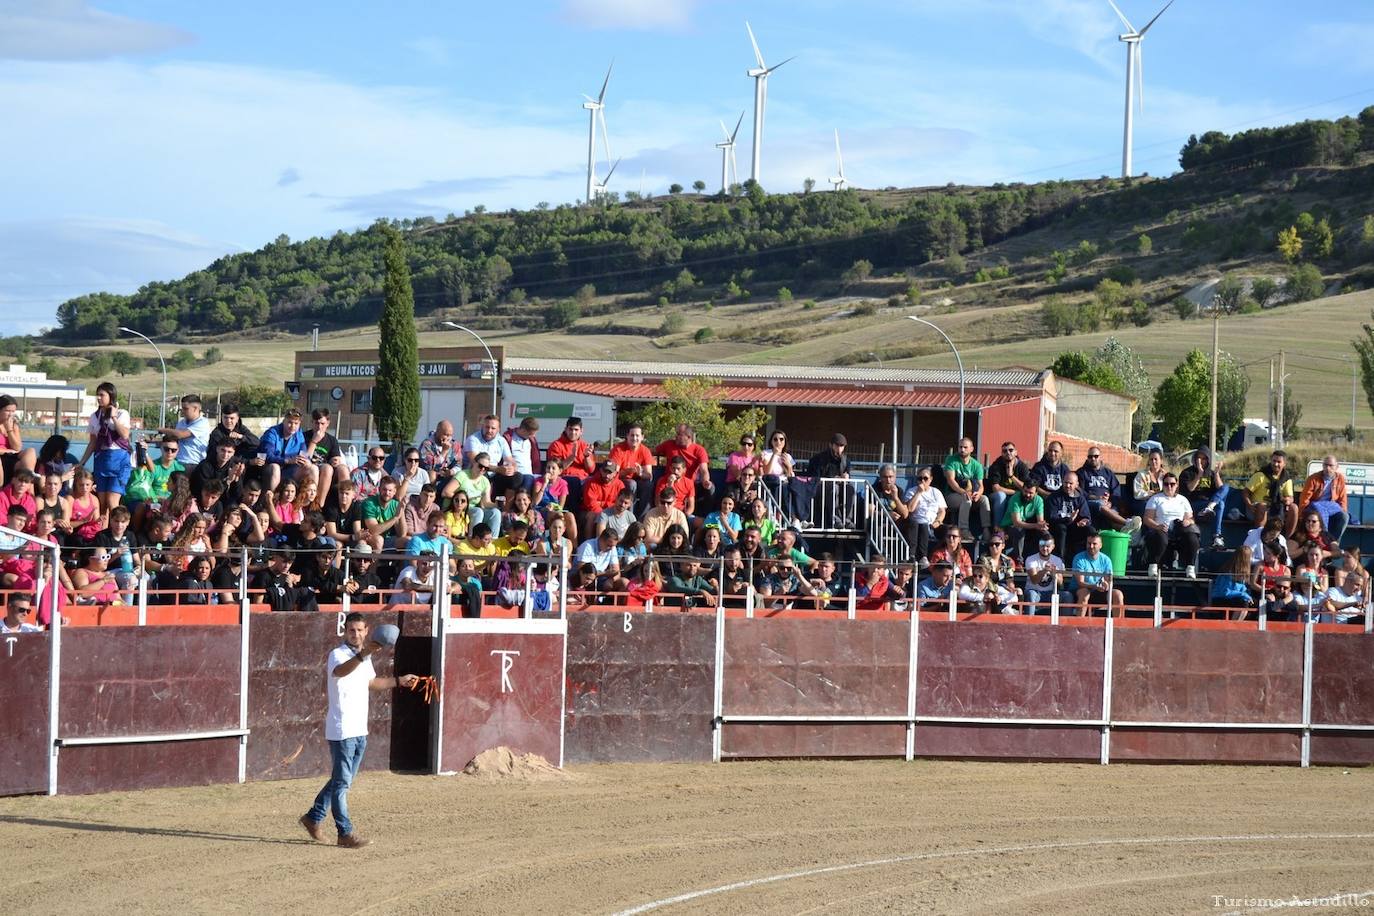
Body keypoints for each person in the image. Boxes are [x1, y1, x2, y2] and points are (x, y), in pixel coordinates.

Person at [301, 612, 418, 848]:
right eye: (351, 630)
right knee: (342, 783)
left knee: (342, 780)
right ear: (345, 631)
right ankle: (344, 833)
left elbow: (371, 683)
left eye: (359, 630)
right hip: (342, 728)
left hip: (358, 727)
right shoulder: (338, 654)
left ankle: (313, 817)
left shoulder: (365, 658)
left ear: (367, 631)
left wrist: (399, 680)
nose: (355, 634)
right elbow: (341, 671)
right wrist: (365, 653)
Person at [78, 381, 133, 514]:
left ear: (111, 396)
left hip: (119, 460)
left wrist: (113, 417)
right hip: (102, 459)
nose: (98, 398)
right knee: (102, 503)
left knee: (112, 501)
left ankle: (118, 529)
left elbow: (125, 435)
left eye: (102, 395)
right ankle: (103, 531)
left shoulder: (122, 414)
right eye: (97, 395)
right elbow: (92, 442)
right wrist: (82, 462)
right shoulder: (94, 417)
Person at [1143, 473, 1200, 578]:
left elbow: (1191, 519)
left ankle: (1190, 568)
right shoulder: (1155, 499)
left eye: (1172, 484)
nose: (1169, 487)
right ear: (1162, 485)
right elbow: (1147, 519)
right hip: (1161, 529)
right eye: (1166, 484)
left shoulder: (1183, 500)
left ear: (1176, 485)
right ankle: (1153, 566)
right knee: (1160, 537)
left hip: (1179, 531)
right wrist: (1157, 526)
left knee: (1192, 537)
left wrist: (1188, 522)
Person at [1076, 448, 1142, 538]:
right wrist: (1096, 498)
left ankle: (1127, 532)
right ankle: (1128, 522)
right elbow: (1080, 491)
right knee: (1100, 504)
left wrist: (1111, 502)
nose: (1093, 459)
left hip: (1108, 504)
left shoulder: (1108, 473)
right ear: (1087, 458)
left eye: (1096, 456)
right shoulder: (1082, 473)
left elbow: (1116, 491)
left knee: (1112, 517)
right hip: (1090, 503)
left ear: (1100, 457)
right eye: (1090, 457)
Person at [1178, 446, 1230, 550]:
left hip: (1207, 505)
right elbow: (1190, 489)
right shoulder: (1187, 473)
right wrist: (1199, 474)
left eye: (1204, 458)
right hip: (1192, 505)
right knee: (1220, 504)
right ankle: (1216, 535)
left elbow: (1221, 489)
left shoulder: (1210, 473)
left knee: (1225, 490)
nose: (1201, 461)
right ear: (1195, 459)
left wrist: (1216, 474)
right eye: (1199, 458)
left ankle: (1216, 536)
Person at [942, 436, 991, 543]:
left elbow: (981, 485)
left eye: (965, 447)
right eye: (960, 447)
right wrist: (963, 491)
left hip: (969, 496)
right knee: (966, 498)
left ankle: (986, 530)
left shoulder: (977, 465)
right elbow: (951, 480)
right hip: (952, 496)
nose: (962, 450)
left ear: (971, 449)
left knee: (984, 499)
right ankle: (963, 530)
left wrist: (979, 493)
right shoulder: (951, 460)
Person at [654, 423, 713, 504]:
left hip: (689, 485)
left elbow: (704, 470)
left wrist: (706, 481)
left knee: (710, 488)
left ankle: (707, 515)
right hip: (669, 481)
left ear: (688, 437)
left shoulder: (699, 450)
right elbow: (651, 451)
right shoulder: (669, 444)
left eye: (679, 434)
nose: (676, 436)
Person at [545, 417, 595, 511]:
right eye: (570, 429)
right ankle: (574, 514)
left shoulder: (584, 445)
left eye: (576, 430)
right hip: (564, 478)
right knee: (574, 481)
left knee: (595, 481)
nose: (573, 432)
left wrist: (587, 457)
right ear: (565, 429)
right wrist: (571, 458)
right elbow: (555, 469)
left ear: (581, 431)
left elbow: (591, 470)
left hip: (583, 479)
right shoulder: (556, 445)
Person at [1244, 449, 1297, 537]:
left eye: (1279, 462)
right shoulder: (1260, 475)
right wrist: (1249, 505)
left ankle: (1287, 538)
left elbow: (1290, 497)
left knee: (1294, 507)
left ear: (1284, 464)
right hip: (1256, 510)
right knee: (1262, 505)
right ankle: (1260, 537)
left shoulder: (1286, 479)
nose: (1276, 464)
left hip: (1277, 510)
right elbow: (1245, 492)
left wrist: (1288, 500)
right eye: (1274, 461)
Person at [1298, 455, 1348, 544]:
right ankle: (1324, 539)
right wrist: (1301, 514)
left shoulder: (1340, 479)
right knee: (1319, 510)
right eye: (1325, 465)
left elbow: (1342, 498)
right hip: (1314, 506)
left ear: (1336, 467)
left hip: (1331, 506)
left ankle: (1334, 542)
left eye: (1330, 465)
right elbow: (1304, 498)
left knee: (1345, 517)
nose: (1327, 468)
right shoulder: (1313, 478)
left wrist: (1343, 510)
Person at [902, 467, 946, 567]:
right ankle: (918, 556)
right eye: (919, 478)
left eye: (925, 478)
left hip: (933, 523)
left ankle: (942, 557)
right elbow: (910, 509)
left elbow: (942, 511)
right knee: (920, 524)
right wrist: (918, 493)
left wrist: (938, 521)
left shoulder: (936, 492)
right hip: (916, 523)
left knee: (948, 530)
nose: (922, 481)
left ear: (930, 479)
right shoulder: (911, 491)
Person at [464, 414, 517, 498]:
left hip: (495, 474)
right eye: (487, 427)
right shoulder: (473, 439)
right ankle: (484, 503)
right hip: (476, 472)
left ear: (498, 429)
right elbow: (476, 462)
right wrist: (498, 469)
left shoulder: (501, 441)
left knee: (516, 477)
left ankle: (506, 510)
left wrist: (512, 469)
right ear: (482, 426)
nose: (489, 430)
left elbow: (510, 460)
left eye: (493, 428)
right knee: (481, 471)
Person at [1073, 532, 1124, 617]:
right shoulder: (1079, 558)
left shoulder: (1106, 560)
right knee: (1084, 592)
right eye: (1089, 543)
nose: (1091, 546)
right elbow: (1080, 583)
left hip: (1098, 591)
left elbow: (1109, 581)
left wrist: (1106, 585)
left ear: (1100, 545)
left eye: (1094, 544)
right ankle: (1078, 625)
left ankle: (1118, 626)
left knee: (1118, 594)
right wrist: (1095, 586)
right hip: (1080, 590)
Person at [256, 408, 307, 493]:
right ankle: (273, 501)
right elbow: (268, 456)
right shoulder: (272, 433)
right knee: (275, 467)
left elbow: (304, 452)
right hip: (268, 469)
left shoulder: (299, 434)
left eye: (296, 423)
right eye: (290, 422)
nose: (293, 426)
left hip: (288, 469)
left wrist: (306, 460)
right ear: (284, 421)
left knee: (313, 468)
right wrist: (287, 461)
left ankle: (312, 504)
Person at [985, 441, 1030, 536]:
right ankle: (997, 530)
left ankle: (1015, 529)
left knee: (1020, 497)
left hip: (1014, 496)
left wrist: (1011, 476)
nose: (1008, 453)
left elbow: (1027, 488)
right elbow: (995, 488)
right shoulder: (996, 466)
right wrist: (1015, 492)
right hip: (995, 497)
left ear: (1016, 452)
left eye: (1011, 450)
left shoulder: (1022, 467)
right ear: (1002, 453)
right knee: (1001, 496)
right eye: (1005, 451)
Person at [300, 408, 345, 501]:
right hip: (307, 468)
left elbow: (336, 458)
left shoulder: (332, 440)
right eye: (317, 423)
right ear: (312, 422)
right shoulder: (303, 436)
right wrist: (314, 441)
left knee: (340, 468)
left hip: (325, 470)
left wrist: (335, 461)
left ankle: (320, 504)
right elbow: (305, 458)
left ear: (327, 423)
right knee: (317, 468)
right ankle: (314, 503)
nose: (319, 427)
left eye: (322, 423)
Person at [1047, 471, 1093, 561]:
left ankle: (1090, 559)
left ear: (1077, 484)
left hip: (1075, 528)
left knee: (1090, 530)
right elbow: (1051, 517)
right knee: (1061, 528)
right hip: (1058, 528)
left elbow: (1086, 517)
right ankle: (1060, 560)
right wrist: (1068, 519)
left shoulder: (1080, 499)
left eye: (1071, 483)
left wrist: (1084, 521)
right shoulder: (1054, 497)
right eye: (1065, 483)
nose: (1067, 485)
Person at [158, 394, 211, 471]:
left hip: (193, 464)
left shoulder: (203, 423)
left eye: (186, 409)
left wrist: (162, 430)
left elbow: (180, 435)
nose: (183, 411)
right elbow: (174, 439)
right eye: (182, 408)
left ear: (195, 408)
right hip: (177, 462)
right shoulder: (181, 422)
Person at [1001, 478, 1048, 559]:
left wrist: (1043, 526)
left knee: (1045, 534)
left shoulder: (1039, 500)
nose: (1027, 495)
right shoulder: (1015, 499)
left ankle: (1043, 559)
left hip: (1027, 525)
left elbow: (1040, 521)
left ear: (1036, 493)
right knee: (1019, 530)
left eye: (1031, 493)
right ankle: (1019, 560)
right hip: (1009, 526)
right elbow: (1017, 522)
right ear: (1022, 489)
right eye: (1025, 491)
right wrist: (1036, 525)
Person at [608, 424, 653, 508]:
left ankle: (642, 517)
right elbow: (613, 474)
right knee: (632, 484)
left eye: (637, 435)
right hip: (622, 480)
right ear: (627, 436)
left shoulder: (645, 451)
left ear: (642, 437)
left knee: (648, 485)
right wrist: (627, 471)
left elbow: (649, 475)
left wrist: (640, 473)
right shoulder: (618, 449)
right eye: (632, 435)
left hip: (638, 480)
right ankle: (629, 516)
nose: (634, 438)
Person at [1023, 535, 1069, 614]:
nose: (1044, 549)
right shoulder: (1031, 559)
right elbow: (1034, 580)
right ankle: (1029, 622)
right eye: (1042, 546)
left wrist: (1053, 573)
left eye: (1048, 546)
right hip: (1034, 591)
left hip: (1051, 593)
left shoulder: (1057, 560)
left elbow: (1060, 582)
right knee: (1031, 595)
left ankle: (1066, 624)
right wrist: (1044, 570)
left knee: (1067, 596)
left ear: (1053, 547)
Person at [419, 420, 463, 501]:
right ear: (437, 432)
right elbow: (429, 466)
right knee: (432, 473)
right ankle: (431, 500)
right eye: (445, 434)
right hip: (430, 480)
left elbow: (459, 464)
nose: (448, 438)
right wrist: (444, 452)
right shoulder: (427, 444)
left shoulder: (455, 445)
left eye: (450, 435)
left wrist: (451, 471)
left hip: (446, 478)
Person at [192, 438, 245, 505]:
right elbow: (208, 491)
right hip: (202, 500)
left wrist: (236, 479)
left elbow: (237, 494)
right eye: (223, 450)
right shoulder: (205, 466)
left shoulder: (233, 466)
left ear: (233, 453)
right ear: (217, 449)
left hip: (222, 501)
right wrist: (228, 481)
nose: (225, 455)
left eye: (229, 452)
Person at [1210, 546, 1257, 621]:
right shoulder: (1228, 570)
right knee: (1243, 603)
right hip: (1220, 599)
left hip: (1234, 599)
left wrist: (1246, 596)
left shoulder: (1243, 573)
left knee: (1255, 603)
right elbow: (1225, 592)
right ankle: (1234, 625)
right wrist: (1243, 594)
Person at [0, 394, 37, 485]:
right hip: (2, 457)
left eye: (13, 411)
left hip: (12, 456)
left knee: (30, 451)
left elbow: (17, 447)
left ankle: (30, 481)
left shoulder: (13, 426)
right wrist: (7, 451)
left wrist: (9, 430)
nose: (11, 414)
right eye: (8, 411)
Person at [503, 416, 542, 494]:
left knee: (528, 481)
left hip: (529, 474)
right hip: (513, 473)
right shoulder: (508, 438)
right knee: (518, 479)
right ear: (523, 430)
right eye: (531, 434)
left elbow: (535, 458)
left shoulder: (531, 440)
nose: (533, 436)